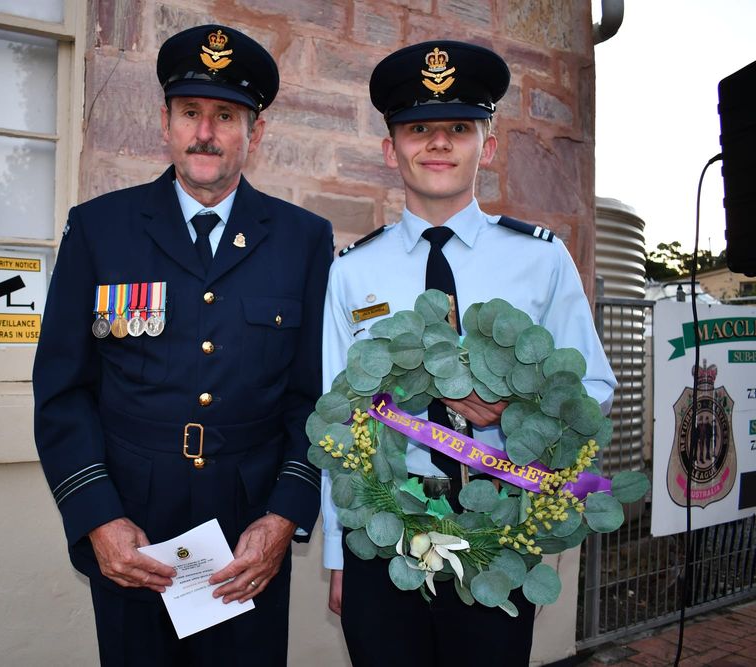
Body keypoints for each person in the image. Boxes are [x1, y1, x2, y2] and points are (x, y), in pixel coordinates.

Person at [33, 24, 333, 667]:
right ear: (164, 122)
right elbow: (63, 391)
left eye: (227, 115)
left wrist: (283, 518)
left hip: (247, 537)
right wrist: (97, 518)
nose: (206, 132)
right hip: (133, 530)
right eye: (191, 112)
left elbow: (315, 398)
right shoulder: (99, 230)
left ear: (255, 132)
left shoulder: (303, 240)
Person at [320, 41, 617, 666]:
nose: (438, 144)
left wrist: (515, 409)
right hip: (383, 533)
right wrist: (337, 554)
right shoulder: (352, 270)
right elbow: (337, 419)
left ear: (490, 143)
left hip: (499, 532)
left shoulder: (539, 258)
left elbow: (591, 385)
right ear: (390, 148)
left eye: (459, 127)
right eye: (417, 129)